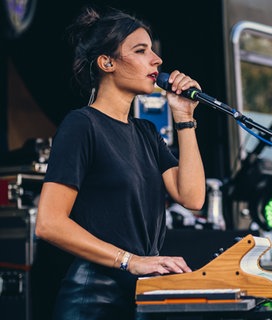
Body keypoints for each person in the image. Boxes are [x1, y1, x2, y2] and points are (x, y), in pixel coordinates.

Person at [34, 6, 206, 320]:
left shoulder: (147, 132)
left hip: (141, 295)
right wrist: (131, 260)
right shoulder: (82, 125)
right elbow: (49, 223)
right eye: (141, 50)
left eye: (153, 50)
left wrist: (184, 118)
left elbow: (193, 197)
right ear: (107, 62)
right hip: (94, 299)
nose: (157, 59)